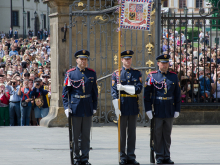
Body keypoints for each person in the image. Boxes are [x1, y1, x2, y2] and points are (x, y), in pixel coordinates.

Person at [62, 50, 98, 165]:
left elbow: (95, 92)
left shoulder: (91, 73)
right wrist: (66, 107)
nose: (83, 61)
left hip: (87, 106)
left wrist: (94, 106)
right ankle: (77, 158)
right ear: (77, 60)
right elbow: (65, 93)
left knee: (86, 135)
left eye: (85, 59)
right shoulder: (70, 74)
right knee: (76, 135)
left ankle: (85, 158)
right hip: (75, 106)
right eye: (81, 59)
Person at [144, 54, 181, 164]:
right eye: (162, 63)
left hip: (169, 108)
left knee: (167, 134)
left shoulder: (173, 76)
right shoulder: (152, 76)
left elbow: (177, 94)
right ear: (158, 63)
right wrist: (148, 109)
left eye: (166, 63)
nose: (164, 65)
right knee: (157, 133)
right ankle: (159, 156)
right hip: (158, 108)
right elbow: (147, 94)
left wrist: (177, 109)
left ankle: (166, 155)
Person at [111, 50, 142, 165]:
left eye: (129, 59)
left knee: (132, 133)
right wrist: (116, 107)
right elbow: (114, 92)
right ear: (122, 60)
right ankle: (122, 156)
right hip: (122, 105)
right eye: (125, 59)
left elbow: (138, 89)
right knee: (122, 134)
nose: (128, 61)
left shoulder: (137, 73)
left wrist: (123, 88)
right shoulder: (117, 74)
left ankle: (131, 156)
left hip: (133, 104)